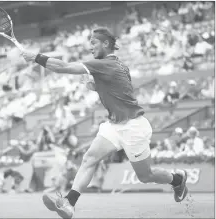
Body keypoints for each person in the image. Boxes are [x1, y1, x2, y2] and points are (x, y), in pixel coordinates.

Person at [21, 27, 188, 219]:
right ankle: (69, 203)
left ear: (106, 44)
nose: (90, 47)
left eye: (94, 43)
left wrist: (36, 57)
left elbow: (63, 67)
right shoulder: (118, 65)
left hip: (133, 126)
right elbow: (118, 90)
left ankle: (177, 179)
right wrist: (94, 86)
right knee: (89, 158)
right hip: (114, 125)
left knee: (145, 176)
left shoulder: (105, 64)